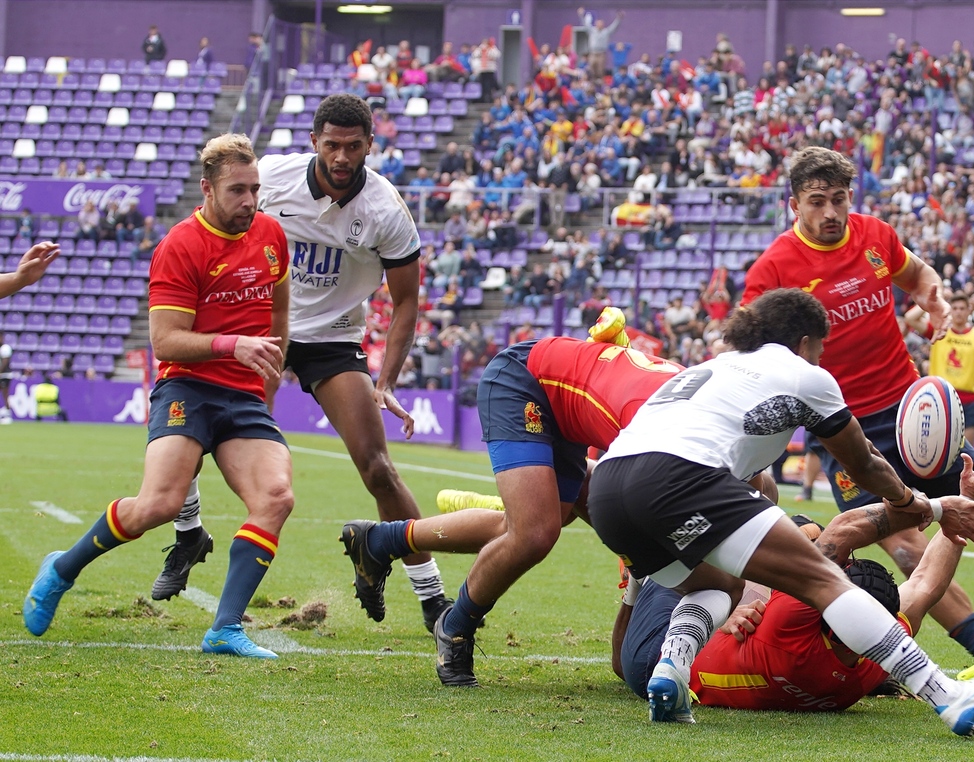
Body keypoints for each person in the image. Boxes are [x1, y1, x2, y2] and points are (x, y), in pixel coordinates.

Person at [741, 146, 974, 690]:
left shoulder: (875, 236)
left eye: (839, 199)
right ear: (794, 206)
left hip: (912, 410)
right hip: (840, 424)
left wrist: (936, 307)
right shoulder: (775, 268)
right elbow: (749, 344)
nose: (830, 212)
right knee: (902, 541)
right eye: (817, 201)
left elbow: (920, 278)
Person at [586, 289, 974, 734]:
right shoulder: (802, 375)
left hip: (609, 485)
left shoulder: (712, 367)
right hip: (679, 475)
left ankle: (672, 669)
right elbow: (863, 462)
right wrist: (913, 502)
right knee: (824, 580)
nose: (821, 359)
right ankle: (948, 697)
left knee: (720, 583)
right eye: (821, 350)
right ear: (805, 342)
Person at [161, 94, 454, 633]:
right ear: (314, 141)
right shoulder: (270, 177)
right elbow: (208, 229)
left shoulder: (386, 209)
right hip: (257, 326)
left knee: (378, 467)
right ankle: (188, 533)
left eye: (353, 146)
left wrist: (385, 380)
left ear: (370, 145)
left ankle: (434, 599)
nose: (341, 157)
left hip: (332, 339)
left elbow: (408, 299)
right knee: (188, 424)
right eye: (332, 144)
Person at [23, 134, 293, 659]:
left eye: (255, 189)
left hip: (243, 396)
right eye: (238, 190)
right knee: (160, 504)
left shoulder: (270, 235)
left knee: (276, 498)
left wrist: (271, 371)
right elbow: (166, 341)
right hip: (188, 388)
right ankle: (61, 569)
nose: (249, 201)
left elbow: (280, 306)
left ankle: (224, 629)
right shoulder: (180, 245)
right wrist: (231, 344)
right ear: (207, 189)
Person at [339, 313, 691, 687]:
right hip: (525, 381)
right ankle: (454, 627)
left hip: (566, 400)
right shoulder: (668, 425)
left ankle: (381, 541)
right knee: (535, 532)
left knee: (530, 525)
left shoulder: (697, 404)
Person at [614, 446, 974, 714]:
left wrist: (939, 508)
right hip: (768, 671)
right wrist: (964, 511)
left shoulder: (794, 618)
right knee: (790, 534)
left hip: (657, 662)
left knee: (774, 510)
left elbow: (842, 532)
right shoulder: (875, 660)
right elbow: (926, 585)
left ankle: (637, 572)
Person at [906, 292, 974, 445]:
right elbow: (910, 318)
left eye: (962, 308)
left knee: (966, 451)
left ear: (969, 310)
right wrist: (934, 299)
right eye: (954, 308)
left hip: (970, 400)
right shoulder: (939, 330)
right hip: (940, 398)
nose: (958, 312)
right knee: (936, 447)